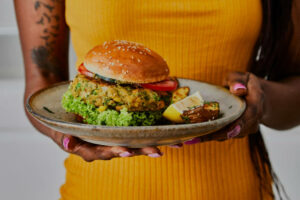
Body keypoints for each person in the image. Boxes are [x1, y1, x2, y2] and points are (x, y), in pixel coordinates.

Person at [14, 0, 300, 199]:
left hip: (236, 189)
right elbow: (42, 81)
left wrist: (262, 102)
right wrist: (66, 136)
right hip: (98, 191)